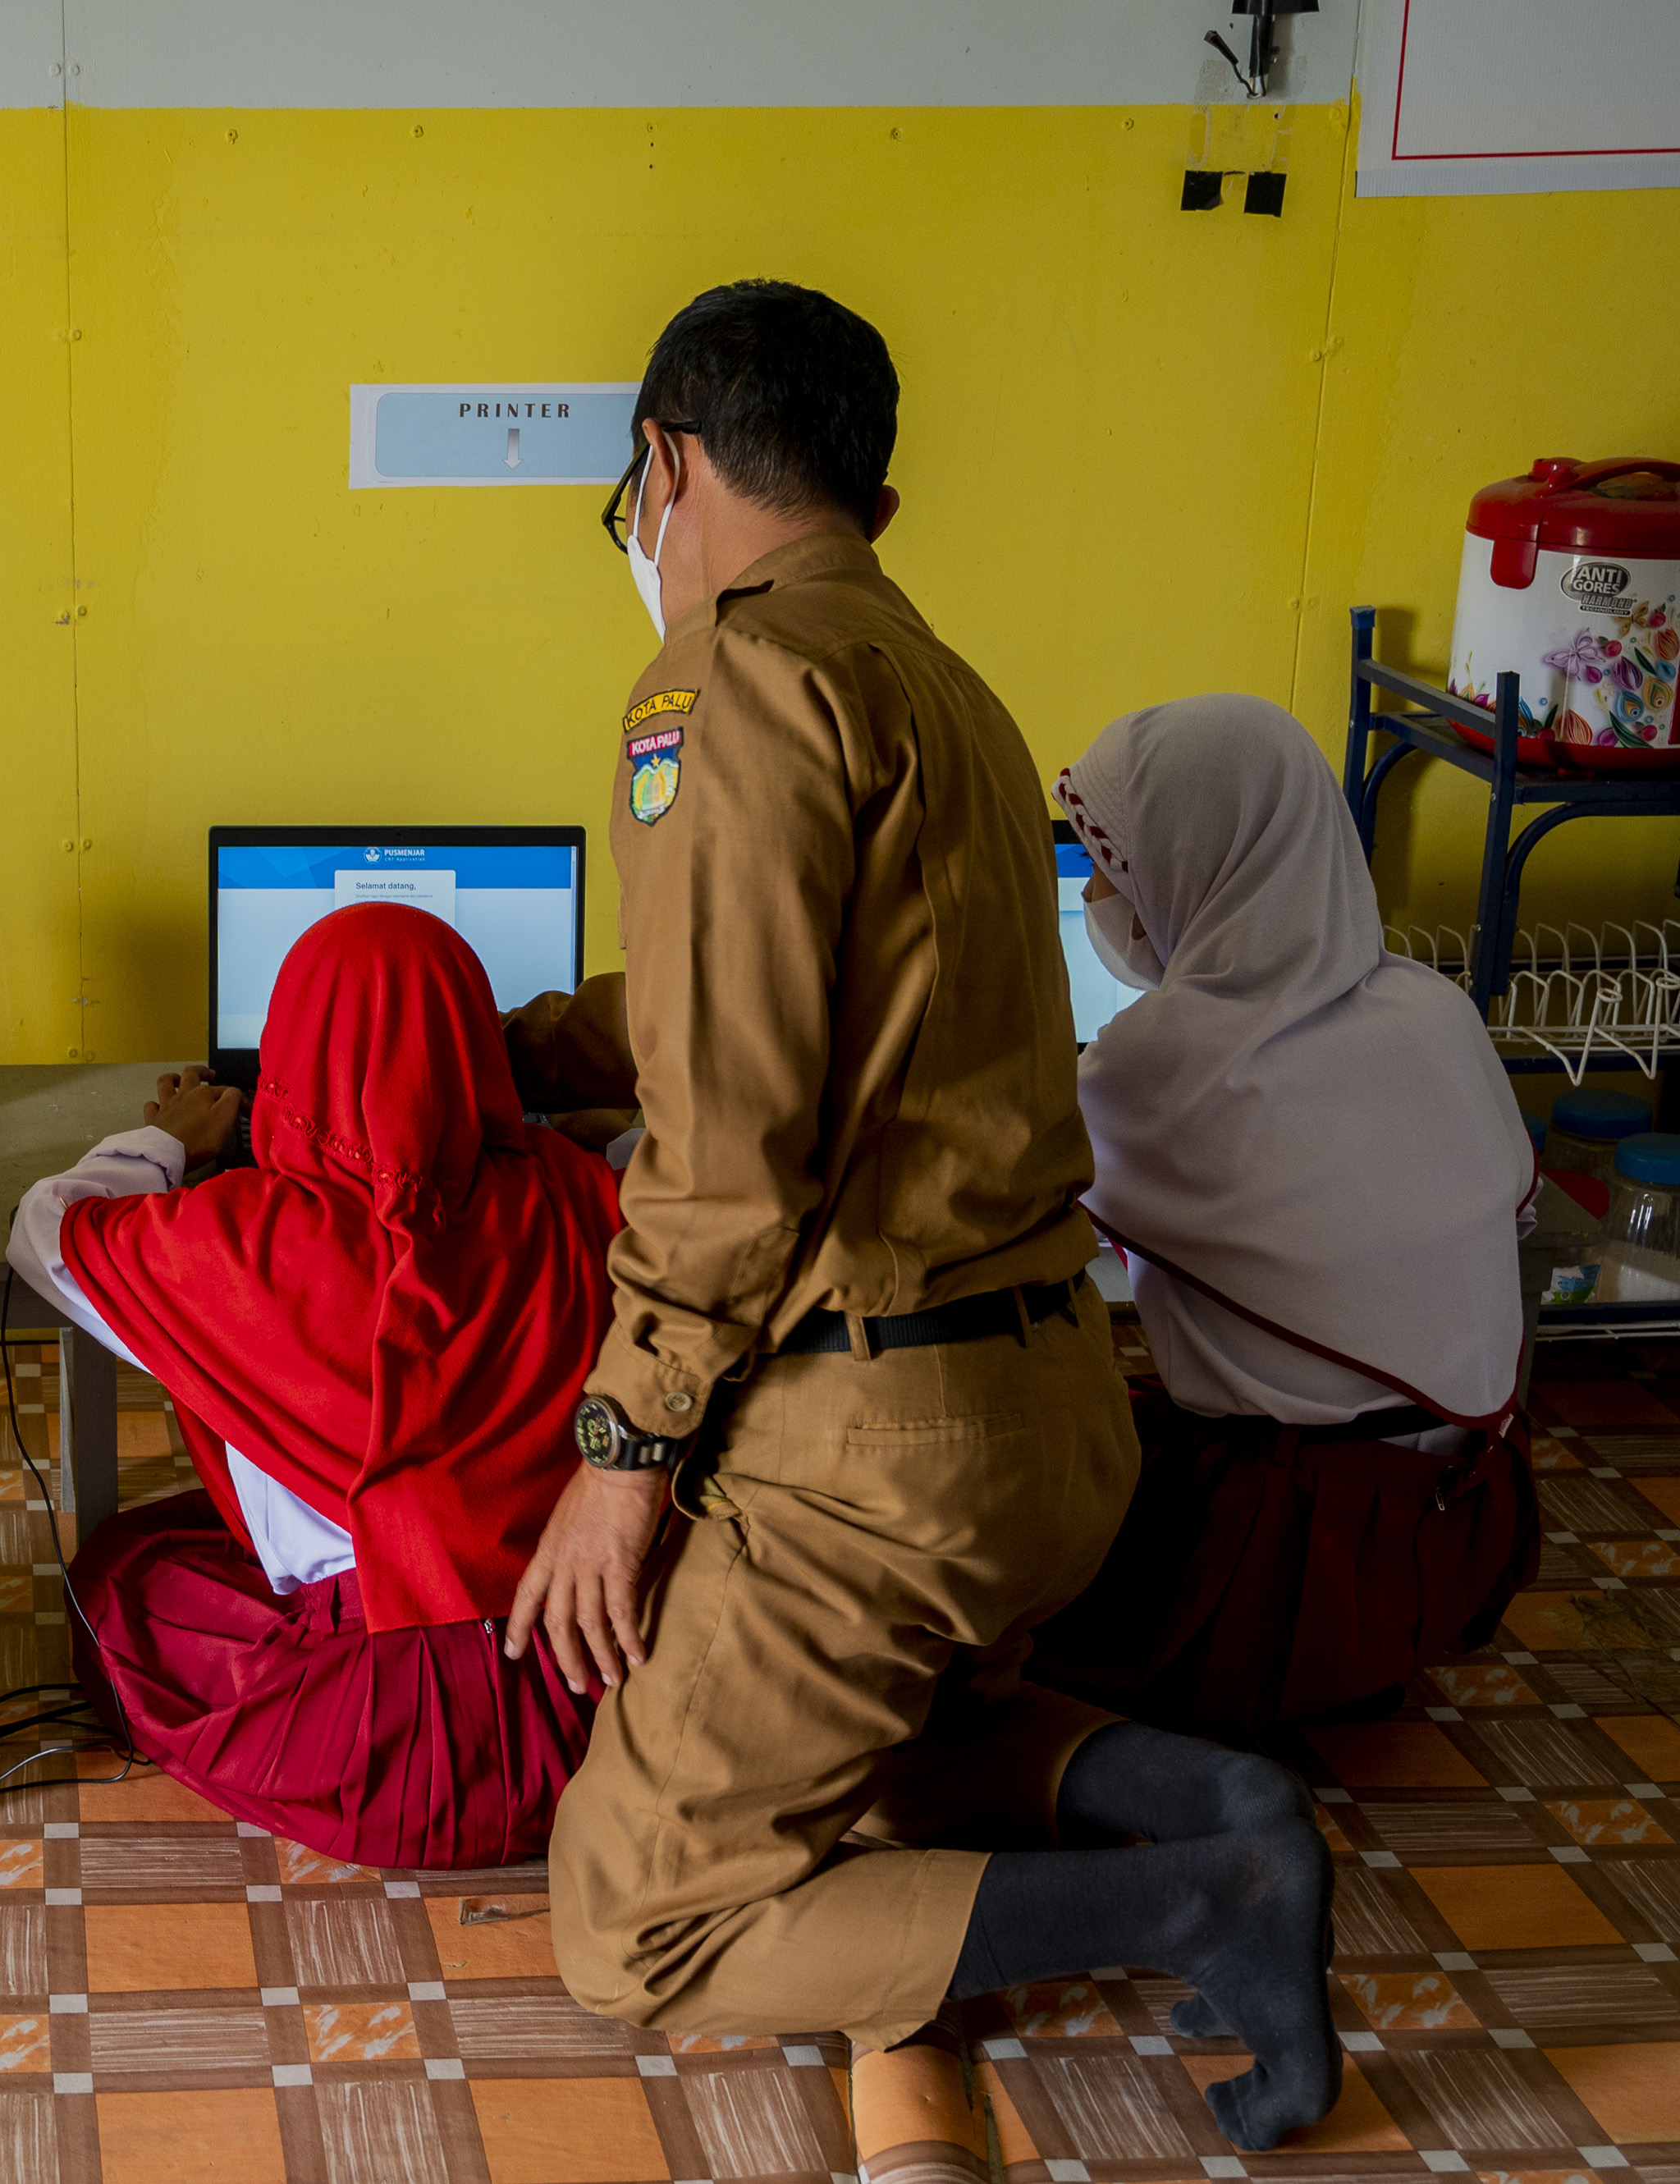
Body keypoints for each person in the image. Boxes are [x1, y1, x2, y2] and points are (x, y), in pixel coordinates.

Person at [498, 282, 1339, 2156]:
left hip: (876, 1449)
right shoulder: (941, 685)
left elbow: (726, 1146)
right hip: (1047, 1415)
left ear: (664, 466)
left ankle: (1205, 1899)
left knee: (633, 1919)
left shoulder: (720, 683)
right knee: (879, 1768)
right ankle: (1206, 1801)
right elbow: (792, 997)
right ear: (872, 506)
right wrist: (509, 1046)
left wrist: (622, 1448)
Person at [7, 903, 617, 1871]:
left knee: (122, 1577)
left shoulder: (246, 1237)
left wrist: (167, 1141)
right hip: (595, 1701)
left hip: (396, 1747)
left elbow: (47, 1232)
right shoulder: (578, 1189)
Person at [1038, 694, 1537, 1721]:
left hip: (1281, 1560)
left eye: (1113, 866)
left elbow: (976, 1209)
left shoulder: (1161, 1065)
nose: (1096, 893)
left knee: (1001, 1453)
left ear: (1196, 865)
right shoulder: (1432, 1010)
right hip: (1467, 1526)